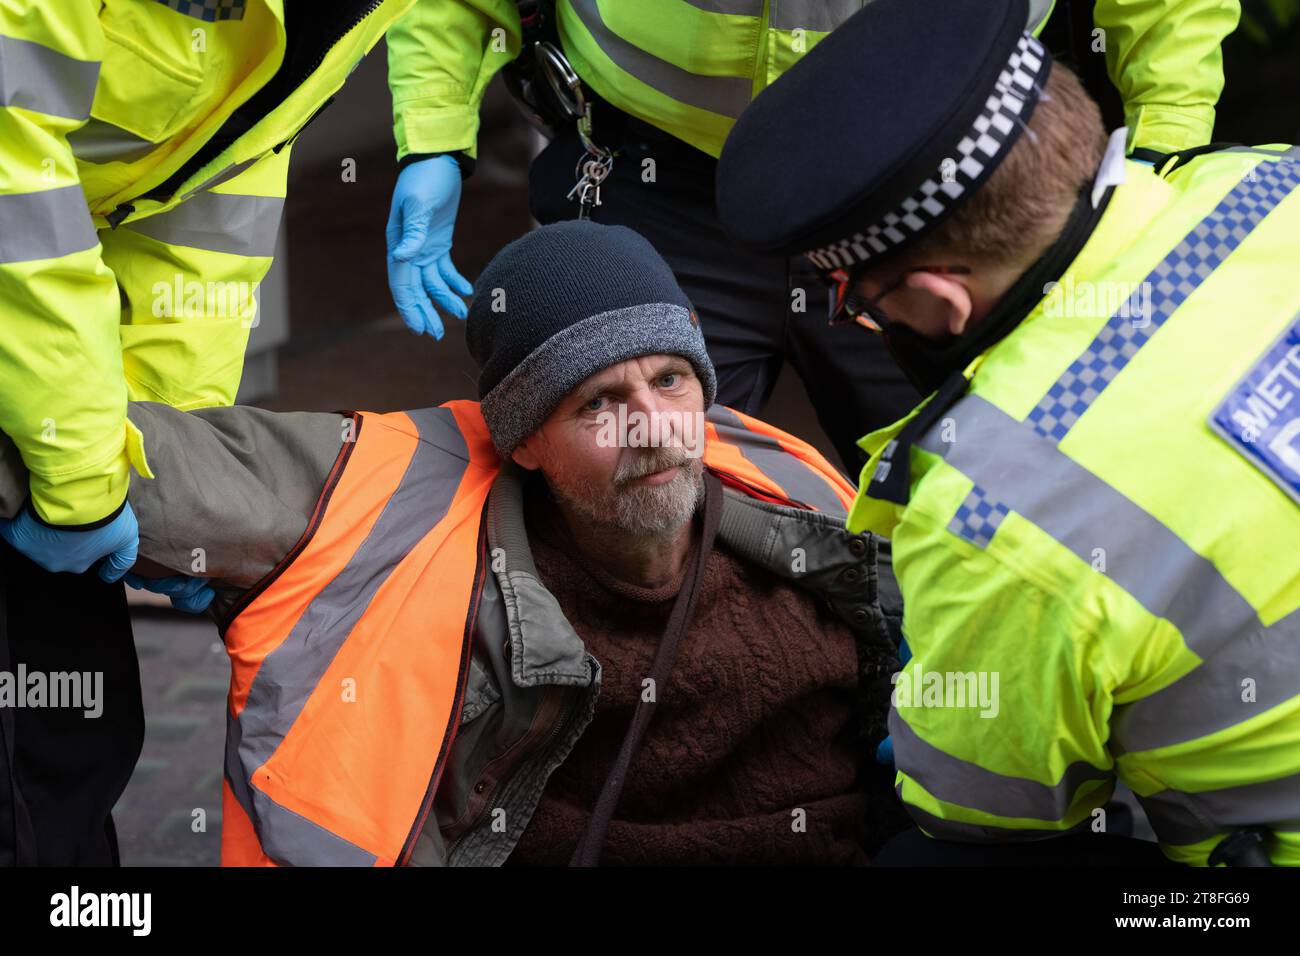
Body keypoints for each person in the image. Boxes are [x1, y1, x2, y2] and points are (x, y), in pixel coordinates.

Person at [1, 221, 907, 866]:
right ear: (522, 441)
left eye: (671, 381)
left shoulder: (795, 489)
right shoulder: (388, 493)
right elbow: (154, 463)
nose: (654, 429)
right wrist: (67, 479)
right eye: (598, 402)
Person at [715, 0, 1300, 866]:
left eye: (856, 301)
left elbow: (981, 812)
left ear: (943, 299)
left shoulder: (993, 513)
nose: (859, 322)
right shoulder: (1267, 180)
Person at [381, 0, 1241, 472]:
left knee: (980, 469)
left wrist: (1166, 136)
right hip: (662, 180)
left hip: (933, 186)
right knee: (633, 476)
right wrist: (433, 131)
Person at [0, 0, 459, 866]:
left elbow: (209, 203)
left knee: (74, 727)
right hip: (23, 322)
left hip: (29, 347)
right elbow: (10, 175)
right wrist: (81, 478)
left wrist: (171, 496)